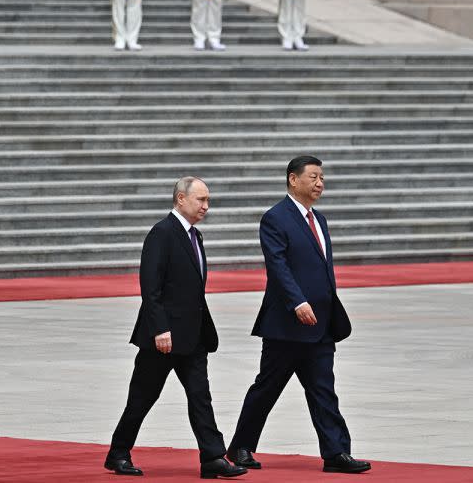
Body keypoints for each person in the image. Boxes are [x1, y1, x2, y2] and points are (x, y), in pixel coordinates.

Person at [227, 156, 371, 474]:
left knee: (323, 390)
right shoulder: (275, 218)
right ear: (294, 180)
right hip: (286, 325)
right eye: (314, 177)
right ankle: (240, 448)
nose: (320, 183)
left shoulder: (319, 219)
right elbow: (277, 266)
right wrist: (297, 302)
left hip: (320, 324)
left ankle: (336, 453)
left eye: (322, 178)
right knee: (267, 388)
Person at [105, 177, 247, 479]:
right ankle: (118, 452)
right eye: (201, 200)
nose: (206, 206)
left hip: (193, 336)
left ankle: (212, 457)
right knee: (142, 397)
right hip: (163, 338)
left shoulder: (196, 237)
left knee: (200, 397)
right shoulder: (162, 234)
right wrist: (160, 329)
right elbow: (150, 287)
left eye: (208, 201)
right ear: (181, 199)